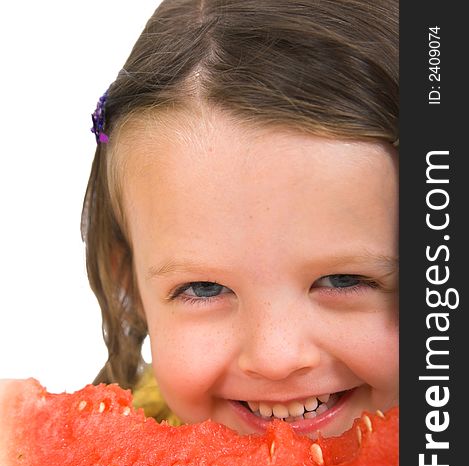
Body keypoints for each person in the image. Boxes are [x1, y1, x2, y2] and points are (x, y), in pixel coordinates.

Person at [82, 0, 398, 439]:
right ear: (130, 288)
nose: (276, 357)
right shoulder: (114, 462)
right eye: (204, 288)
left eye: (343, 280)